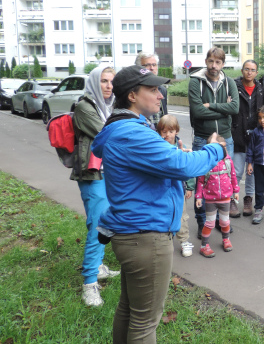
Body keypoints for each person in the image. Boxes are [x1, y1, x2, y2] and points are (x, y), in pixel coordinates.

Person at [91, 65, 226, 343]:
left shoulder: (128, 128)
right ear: (131, 95)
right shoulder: (133, 133)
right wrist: (216, 148)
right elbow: (183, 165)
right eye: (151, 90)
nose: (160, 95)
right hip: (147, 237)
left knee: (130, 311)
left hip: (134, 234)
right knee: (144, 324)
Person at [71, 64, 120, 307]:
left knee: (102, 223)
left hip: (109, 173)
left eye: (112, 81)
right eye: (104, 81)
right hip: (92, 175)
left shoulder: (110, 106)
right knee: (97, 226)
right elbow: (106, 135)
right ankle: (89, 284)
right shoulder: (84, 107)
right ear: (93, 82)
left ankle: (98, 266)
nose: (109, 86)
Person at [188, 47, 239, 234]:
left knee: (223, 179)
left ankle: (219, 220)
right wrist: (223, 109)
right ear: (206, 61)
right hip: (203, 139)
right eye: (211, 61)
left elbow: (235, 108)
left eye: (218, 62)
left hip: (226, 140)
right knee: (202, 179)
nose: (213, 65)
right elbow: (198, 111)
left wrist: (212, 105)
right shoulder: (195, 82)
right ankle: (202, 220)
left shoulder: (229, 82)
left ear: (223, 64)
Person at [232, 59, 264, 216]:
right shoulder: (233, 87)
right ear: (242, 71)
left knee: (251, 172)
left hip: (256, 136)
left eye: (253, 70)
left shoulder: (261, 90)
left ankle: (248, 199)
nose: (249, 72)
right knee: (237, 170)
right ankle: (232, 200)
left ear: (256, 73)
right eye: (246, 69)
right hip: (237, 133)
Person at [156, 114, 195, 258]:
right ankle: (166, 241)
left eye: (170, 131)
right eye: (164, 132)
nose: (167, 135)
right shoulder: (157, 147)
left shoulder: (181, 147)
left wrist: (190, 187)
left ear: (176, 131)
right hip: (162, 190)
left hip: (179, 189)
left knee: (182, 215)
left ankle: (184, 240)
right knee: (164, 214)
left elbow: (187, 168)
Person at [195, 135, 239, 258]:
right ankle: (204, 246)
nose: (223, 150)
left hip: (225, 198)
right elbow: (200, 181)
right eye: (220, 148)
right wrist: (199, 197)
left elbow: (233, 177)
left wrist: (236, 191)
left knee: (225, 222)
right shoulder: (207, 164)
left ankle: (226, 240)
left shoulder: (228, 161)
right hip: (210, 199)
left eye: (224, 147)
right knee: (209, 223)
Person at [135, 51, 168, 126]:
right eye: (147, 65)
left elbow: (164, 117)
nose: (152, 68)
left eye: (154, 65)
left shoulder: (162, 90)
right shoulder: (133, 89)